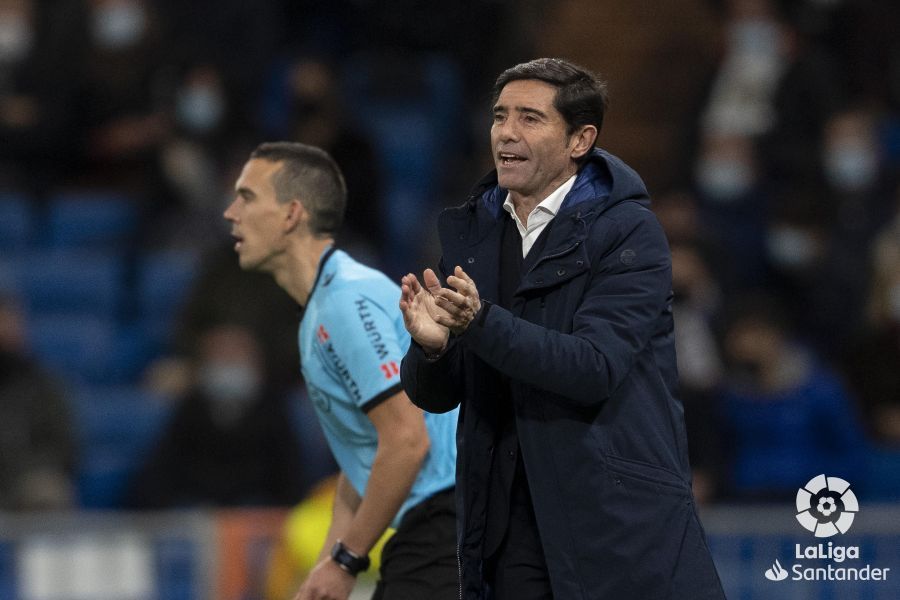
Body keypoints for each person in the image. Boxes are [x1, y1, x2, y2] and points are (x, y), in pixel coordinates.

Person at [399, 58, 725, 599]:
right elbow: (444, 393)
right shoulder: (476, 232)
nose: (506, 131)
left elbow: (593, 367)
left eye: (530, 118)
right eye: (500, 116)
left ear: (580, 140)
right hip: (505, 526)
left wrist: (480, 323)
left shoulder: (628, 231)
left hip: (610, 523)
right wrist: (432, 352)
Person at [223, 142, 458, 600]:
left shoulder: (345, 303)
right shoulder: (326, 305)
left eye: (247, 197)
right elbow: (366, 452)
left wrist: (349, 559)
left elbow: (407, 441)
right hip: (430, 527)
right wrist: (329, 563)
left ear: (292, 215)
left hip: (444, 525)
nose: (232, 212)